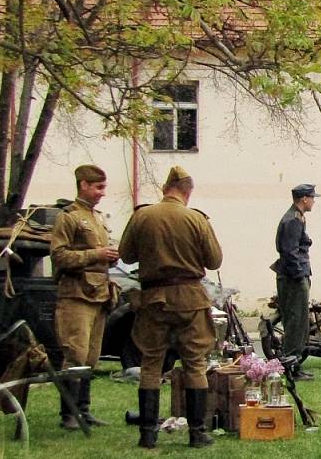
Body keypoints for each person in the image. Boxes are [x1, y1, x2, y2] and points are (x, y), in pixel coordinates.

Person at [118, 166, 223, 449]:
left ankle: (148, 434)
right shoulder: (196, 219)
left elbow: (125, 255)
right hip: (190, 299)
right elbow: (214, 261)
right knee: (195, 364)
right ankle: (197, 433)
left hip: (154, 299)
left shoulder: (142, 216)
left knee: (151, 364)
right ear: (188, 192)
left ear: (166, 188)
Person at [51, 164, 118, 430]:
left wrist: (109, 257)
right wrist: (96, 255)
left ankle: (84, 410)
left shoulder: (97, 218)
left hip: (98, 293)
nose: (102, 193)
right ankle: (69, 414)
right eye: (98, 187)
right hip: (76, 295)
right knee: (75, 354)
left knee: (91, 356)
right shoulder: (68, 217)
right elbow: (59, 256)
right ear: (83, 185)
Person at [270, 183, 320, 381]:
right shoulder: (293, 220)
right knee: (295, 322)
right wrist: (299, 276)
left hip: (295, 275)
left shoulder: (297, 217)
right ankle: (291, 367)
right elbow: (289, 252)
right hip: (293, 278)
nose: (314, 202)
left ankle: (295, 364)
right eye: (312, 198)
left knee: (299, 323)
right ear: (304, 199)